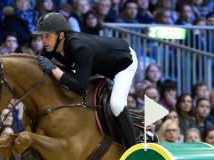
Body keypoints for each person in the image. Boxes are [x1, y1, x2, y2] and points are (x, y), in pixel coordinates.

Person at [34, 12, 138, 147]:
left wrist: (54, 69)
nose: (43, 41)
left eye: (47, 36)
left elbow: (79, 87)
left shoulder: (80, 47)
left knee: (116, 104)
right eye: (42, 36)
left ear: (60, 35)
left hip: (123, 63)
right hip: (100, 64)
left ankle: (133, 148)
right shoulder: (51, 47)